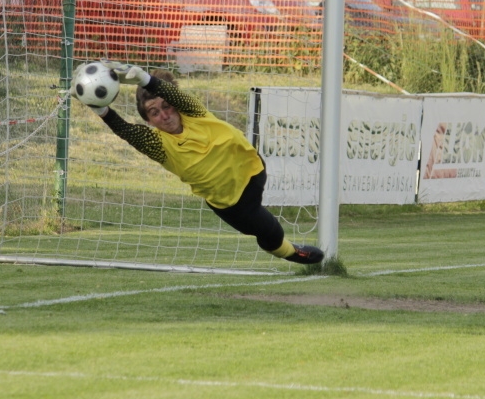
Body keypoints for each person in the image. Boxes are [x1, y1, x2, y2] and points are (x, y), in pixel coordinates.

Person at [81, 62, 324, 265]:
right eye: (154, 113)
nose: (164, 115)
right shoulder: (157, 144)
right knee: (268, 233)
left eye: (166, 106)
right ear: (149, 120)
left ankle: (290, 248)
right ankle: (292, 252)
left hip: (252, 171)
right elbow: (126, 131)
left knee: (266, 226)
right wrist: (100, 109)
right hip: (232, 203)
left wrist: (146, 79)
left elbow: (176, 95)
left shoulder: (193, 112)